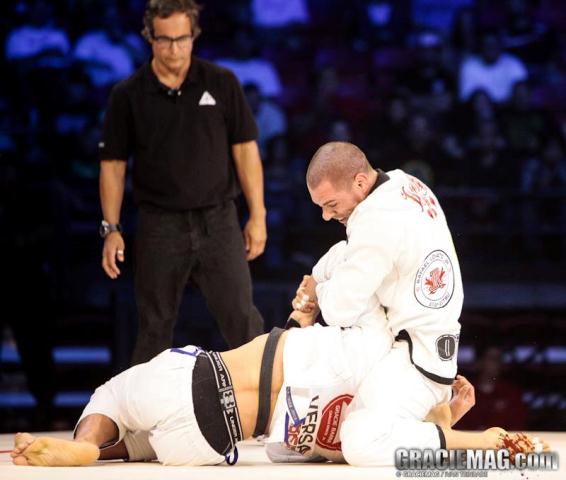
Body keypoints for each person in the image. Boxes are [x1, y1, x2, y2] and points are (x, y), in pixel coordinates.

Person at [10, 313, 544, 467]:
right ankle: (102, 450)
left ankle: (87, 448)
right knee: (142, 444)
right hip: (207, 445)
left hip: (194, 400)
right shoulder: (364, 413)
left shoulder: (365, 344)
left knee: (113, 416)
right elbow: (392, 439)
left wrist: (309, 302)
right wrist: (447, 419)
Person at [98, 0, 267, 365]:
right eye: (164, 40)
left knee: (242, 319)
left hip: (218, 219)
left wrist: (258, 214)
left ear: (194, 35)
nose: (174, 48)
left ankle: (271, 411)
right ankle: (143, 420)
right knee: (154, 327)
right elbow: (112, 164)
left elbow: (245, 151)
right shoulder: (128, 95)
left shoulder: (221, 83)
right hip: (160, 224)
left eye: (182, 39)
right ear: (149, 37)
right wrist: (111, 227)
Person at [291, 141, 464, 465]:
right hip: (419, 340)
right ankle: (431, 420)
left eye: (330, 204)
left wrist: (317, 289)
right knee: (340, 256)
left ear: (359, 182)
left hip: (418, 361)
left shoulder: (374, 219)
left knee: (358, 443)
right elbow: (347, 257)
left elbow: (341, 309)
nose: (327, 216)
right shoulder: (404, 182)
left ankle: (468, 439)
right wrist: (319, 279)